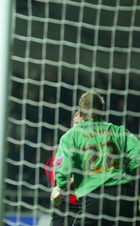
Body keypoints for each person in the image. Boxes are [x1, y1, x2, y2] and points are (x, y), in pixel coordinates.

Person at [51, 91, 140, 226]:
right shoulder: (118, 131)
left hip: (93, 196)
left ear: (80, 114)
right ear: (102, 112)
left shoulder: (71, 136)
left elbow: (64, 168)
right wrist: (128, 171)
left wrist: (60, 186)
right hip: (124, 196)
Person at [46, 112, 81, 226]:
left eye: (81, 123)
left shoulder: (92, 147)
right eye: (76, 122)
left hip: (86, 204)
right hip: (64, 205)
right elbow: (53, 177)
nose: (79, 126)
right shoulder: (64, 146)